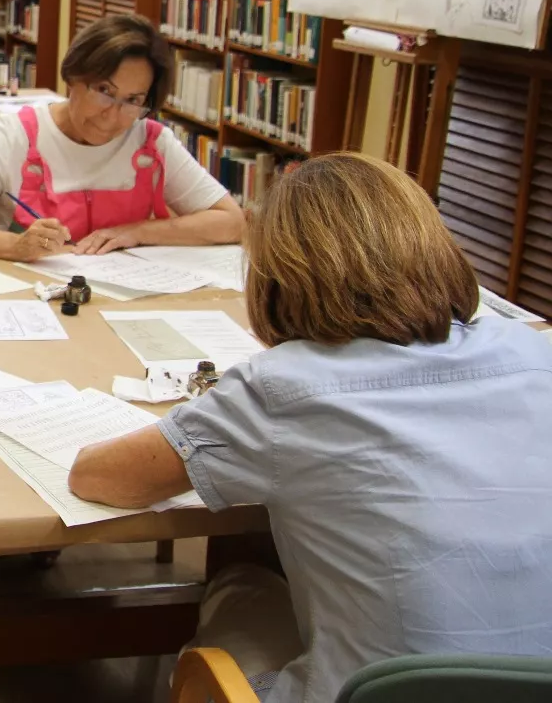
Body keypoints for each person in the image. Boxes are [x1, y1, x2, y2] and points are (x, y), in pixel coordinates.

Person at [67, 153, 552, 703]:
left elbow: (99, 478)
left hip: (378, 694)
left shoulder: (284, 386)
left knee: (242, 584)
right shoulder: (532, 351)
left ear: (277, 277)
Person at [0, 13, 244, 260]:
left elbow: (231, 221)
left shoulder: (151, 143)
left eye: (133, 101)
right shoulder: (17, 137)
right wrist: (16, 245)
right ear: (73, 78)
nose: (113, 115)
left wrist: (137, 232)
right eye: (104, 91)